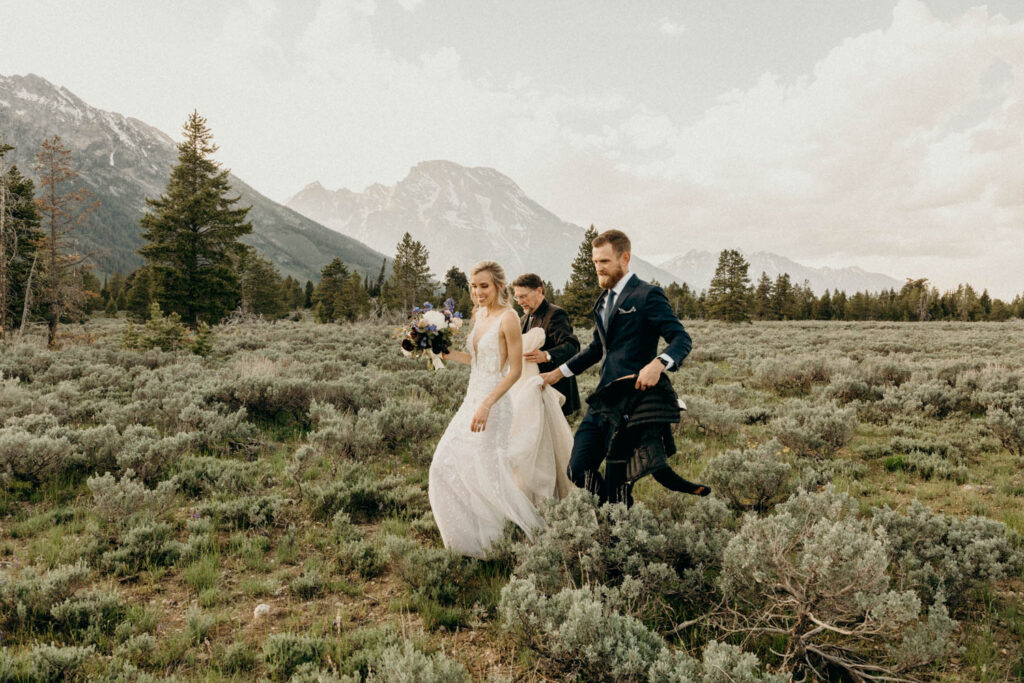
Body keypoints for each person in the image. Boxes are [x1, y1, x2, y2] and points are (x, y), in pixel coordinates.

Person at [541, 229, 707, 502]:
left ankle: (618, 529)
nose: (598, 268)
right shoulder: (602, 301)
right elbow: (597, 349)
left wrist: (659, 363)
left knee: (619, 479)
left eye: (604, 262)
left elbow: (681, 338)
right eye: (595, 262)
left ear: (625, 258)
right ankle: (616, 513)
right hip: (602, 401)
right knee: (577, 469)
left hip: (633, 403)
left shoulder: (647, 295)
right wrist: (557, 373)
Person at [429, 261, 543, 557]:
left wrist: (488, 405)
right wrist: (443, 354)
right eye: (474, 286)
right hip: (472, 400)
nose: (478, 292)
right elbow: (478, 362)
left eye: (484, 286)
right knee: (445, 464)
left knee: (487, 472)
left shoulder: (510, 318)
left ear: (499, 286)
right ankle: (468, 541)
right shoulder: (479, 315)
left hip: (494, 405)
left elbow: (514, 371)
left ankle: (497, 545)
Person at [512, 273, 581, 416]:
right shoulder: (524, 318)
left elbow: (572, 346)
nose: (519, 301)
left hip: (555, 390)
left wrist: (547, 355)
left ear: (539, 291)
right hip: (531, 390)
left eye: (523, 296)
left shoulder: (555, 314)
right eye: (517, 297)